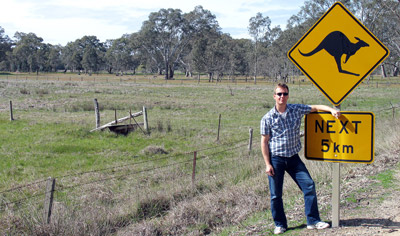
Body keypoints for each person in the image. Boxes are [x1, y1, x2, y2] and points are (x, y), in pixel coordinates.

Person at [260, 83, 340, 235]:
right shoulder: (267, 118)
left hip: (293, 158)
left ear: (288, 95)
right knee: (276, 194)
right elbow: (264, 142)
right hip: (276, 159)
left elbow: (315, 107)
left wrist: (331, 110)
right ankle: (280, 224)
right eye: (279, 94)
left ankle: (313, 221)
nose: (282, 97)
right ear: (274, 96)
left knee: (309, 185)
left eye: (284, 94)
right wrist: (267, 164)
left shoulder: (296, 109)